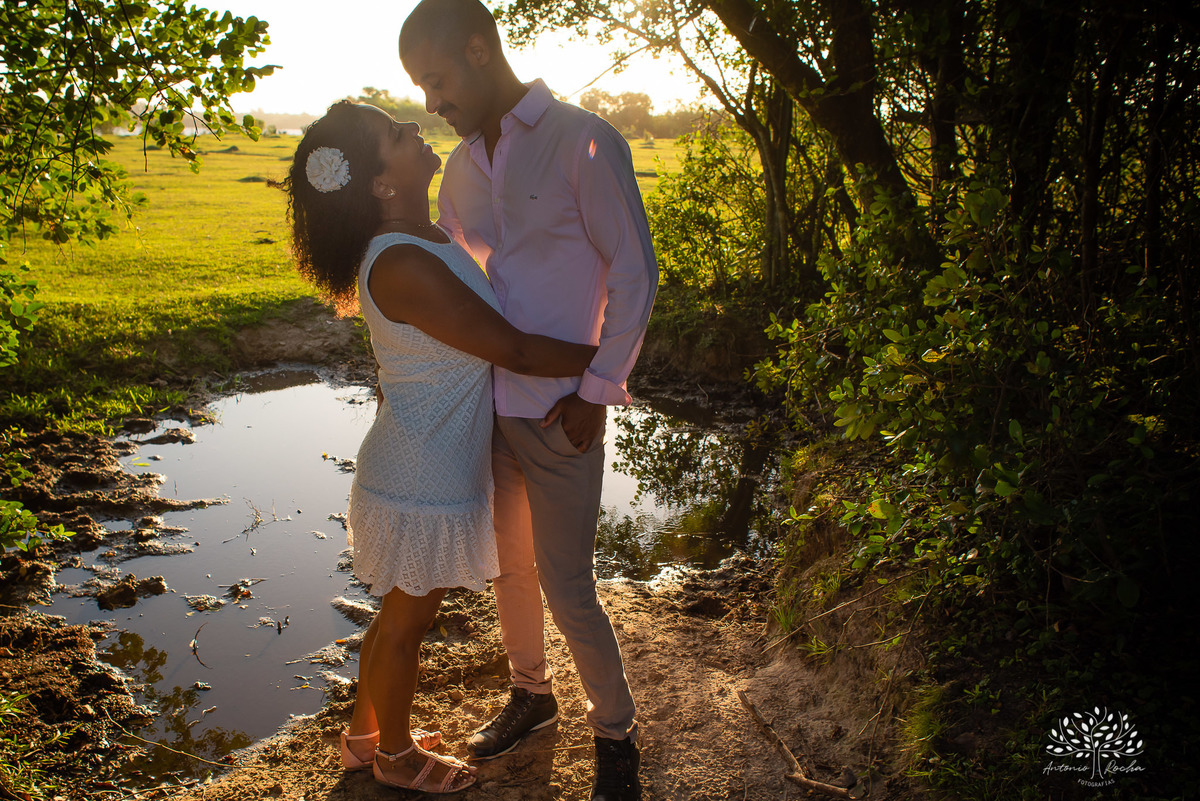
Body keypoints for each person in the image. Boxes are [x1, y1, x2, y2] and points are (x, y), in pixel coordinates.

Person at [282, 100, 598, 794]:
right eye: (397, 134)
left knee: (399, 613)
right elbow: (513, 349)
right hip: (421, 472)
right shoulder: (400, 261)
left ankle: (364, 739)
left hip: (420, 458)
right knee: (406, 622)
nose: (414, 129)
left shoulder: (422, 239)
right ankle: (395, 757)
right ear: (381, 183)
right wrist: (608, 360)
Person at [400, 2, 658, 799]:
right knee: (508, 567)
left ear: (480, 50)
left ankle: (615, 734)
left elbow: (636, 272)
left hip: (562, 408)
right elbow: (458, 279)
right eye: (421, 88)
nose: (432, 102)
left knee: (568, 583)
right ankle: (531, 694)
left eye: (437, 80)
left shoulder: (583, 139)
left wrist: (597, 390)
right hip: (489, 404)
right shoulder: (459, 170)